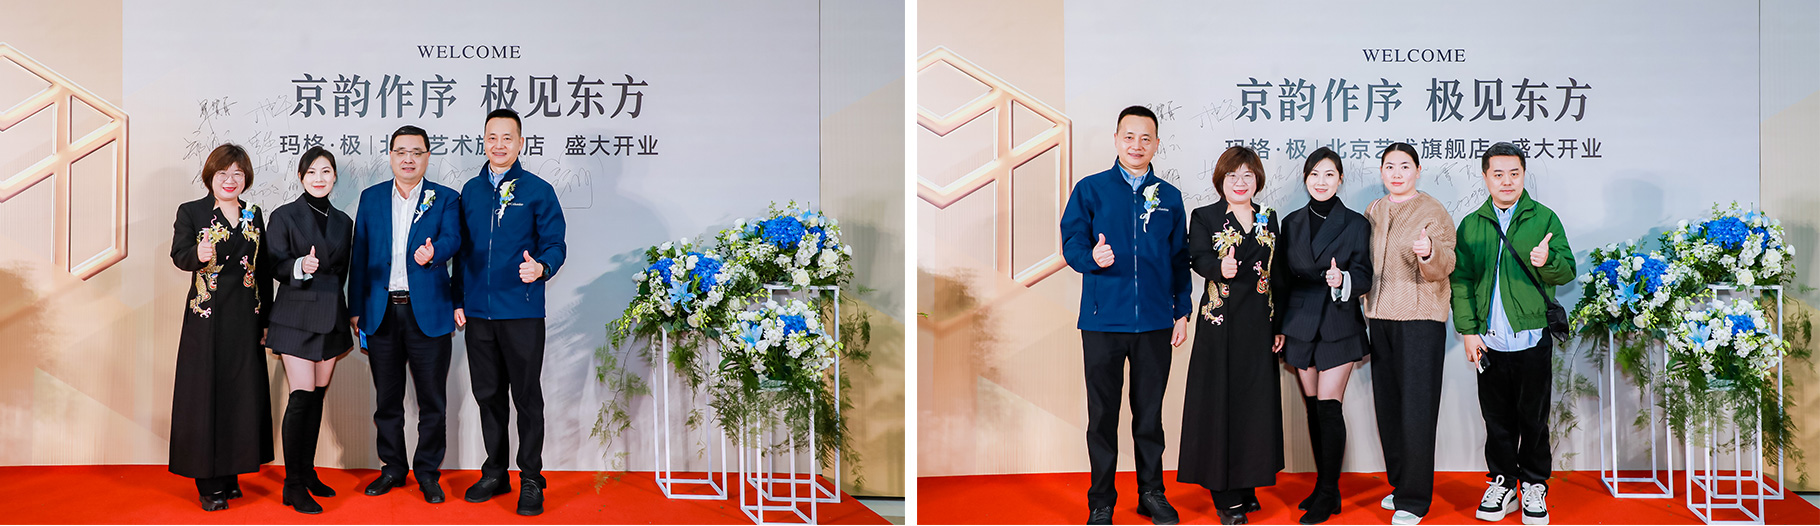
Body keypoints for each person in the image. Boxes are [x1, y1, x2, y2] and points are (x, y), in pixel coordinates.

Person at [1058, 105, 1190, 526]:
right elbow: (1071, 242)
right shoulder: (1091, 189)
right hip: (1102, 322)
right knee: (1102, 417)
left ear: (1156, 144)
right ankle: (1101, 501)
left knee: (1149, 416)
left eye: (1145, 138)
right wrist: (1091, 258)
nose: (1137, 145)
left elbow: (1180, 258)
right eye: (1129, 137)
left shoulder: (1169, 197)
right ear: (1116, 140)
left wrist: (1182, 311)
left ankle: (1152, 493)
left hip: (1155, 323)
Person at [1450, 142, 1573, 525]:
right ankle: (1502, 482)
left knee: (1533, 419)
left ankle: (1534, 484)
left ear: (1523, 175)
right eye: (1498, 174)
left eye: (1514, 173)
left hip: (1532, 339)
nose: (1506, 181)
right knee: (1496, 420)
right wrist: (1469, 332)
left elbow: (1567, 270)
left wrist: (1547, 260)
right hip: (1489, 343)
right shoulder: (1472, 224)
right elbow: (1461, 281)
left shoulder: (1544, 218)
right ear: (1485, 177)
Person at [453, 108, 568, 516]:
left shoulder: (538, 190)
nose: (498, 145)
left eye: (507, 138)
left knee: (526, 397)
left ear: (520, 142)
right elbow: (461, 251)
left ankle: (531, 478)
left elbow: (555, 244)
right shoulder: (470, 191)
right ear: (483, 141)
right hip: (478, 314)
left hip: (521, 311)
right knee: (488, 396)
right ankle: (495, 472)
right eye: (492, 137)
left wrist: (542, 267)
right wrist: (458, 299)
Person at [349, 125, 462, 504]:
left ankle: (427, 472)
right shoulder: (371, 198)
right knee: (387, 400)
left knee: (432, 402)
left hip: (427, 312)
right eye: (401, 152)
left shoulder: (445, 198)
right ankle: (393, 467)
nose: (408, 159)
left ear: (428, 156)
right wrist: (355, 310)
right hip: (381, 312)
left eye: (416, 152)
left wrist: (435, 252)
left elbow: (454, 240)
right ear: (391, 156)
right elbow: (360, 255)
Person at [1177, 145, 1285, 526]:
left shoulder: (1268, 218)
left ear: (1258, 180)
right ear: (1220, 180)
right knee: (1218, 405)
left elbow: (1277, 274)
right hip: (1220, 325)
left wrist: (1279, 325)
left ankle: (1246, 484)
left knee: (1253, 407)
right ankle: (1224, 495)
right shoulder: (1205, 216)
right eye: (1232, 176)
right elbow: (1196, 257)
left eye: (1247, 176)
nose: (1240, 183)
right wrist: (1217, 267)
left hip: (1259, 327)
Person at [167, 143, 274, 511]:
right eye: (223, 173)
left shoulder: (254, 214)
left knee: (240, 396)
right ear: (210, 176)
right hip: (207, 320)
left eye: (237, 174)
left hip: (245, 320)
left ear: (246, 179)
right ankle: (208, 482)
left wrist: (266, 320)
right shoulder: (192, 211)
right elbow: (179, 254)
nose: (230, 180)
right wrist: (196, 255)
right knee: (205, 397)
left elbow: (263, 270)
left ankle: (230, 474)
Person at [1363, 142, 1457, 526]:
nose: (1397, 173)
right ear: (1381, 172)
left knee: (1417, 410)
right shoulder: (1374, 210)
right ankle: (1401, 485)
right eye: (1390, 166)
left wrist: (1429, 251)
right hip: (1380, 317)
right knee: (1388, 407)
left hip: (1420, 319)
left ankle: (1415, 500)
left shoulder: (1432, 210)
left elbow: (1446, 263)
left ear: (1418, 170)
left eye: (1405, 166)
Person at [1277, 147, 1372, 525]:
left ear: (1340, 179)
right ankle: (1323, 487)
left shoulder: (1356, 223)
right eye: (1315, 174)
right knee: (1314, 408)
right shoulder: (1291, 222)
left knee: (1330, 407)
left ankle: (1330, 492)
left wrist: (1342, 278)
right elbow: (1282, 280)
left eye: (1329, 174)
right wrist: (1279, 327)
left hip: (1338, 320)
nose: (1321, 181)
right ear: (1305, 179)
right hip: (1300, 321)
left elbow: (1364, 275)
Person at [264, 146, 356, 514]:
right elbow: (273, 264)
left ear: (335, 177)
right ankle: (292, 485)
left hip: (331, 314)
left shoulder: (344, 221)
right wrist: (300, 265)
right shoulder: (283, 215)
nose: (319, 178)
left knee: (316, 398)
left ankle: (307, 472)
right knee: (301, 397)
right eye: (312, 172)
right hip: (295, 315)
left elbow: (344, 272)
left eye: (326, 171)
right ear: (301, 177)